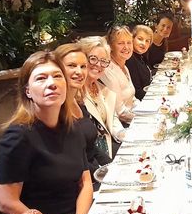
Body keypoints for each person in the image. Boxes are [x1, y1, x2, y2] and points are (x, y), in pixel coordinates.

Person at [0, 51, 94, 214]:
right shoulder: (18, 136)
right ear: (28, 91)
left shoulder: (72, 128)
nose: (52, 83)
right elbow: (6, 202)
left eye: (57, 76)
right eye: (41, 78)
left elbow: (85, 181)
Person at [55, 42, 113, 170]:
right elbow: (71, 161)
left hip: (95, 169)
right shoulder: (55, 110)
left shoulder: (78, 102)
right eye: (72, 65)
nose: (79, 71)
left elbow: (91, 149)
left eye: (83, 66)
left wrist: (113, 167)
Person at [78, 36, 126, 159]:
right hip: (91, 157)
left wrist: (123, 134)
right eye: (93, 59)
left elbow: (112, 119)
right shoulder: (76, 94)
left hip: (108, 148)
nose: (99, 65)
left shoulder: (102, 89)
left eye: (104, 61)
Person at [100, 25, 136, 125]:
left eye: (129, 42)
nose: (126, 47)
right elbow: (120, 113)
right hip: (122, 125)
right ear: (111, 46)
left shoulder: (125, 67)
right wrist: (143, 118)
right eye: (120, 43)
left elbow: (132, 100)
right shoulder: (108, 70)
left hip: (132, 117)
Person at [126, 25, 154, 100]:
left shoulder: (141, 56)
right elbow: (137, 92)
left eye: (147, 41)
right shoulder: (130, 60)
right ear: (132, 39)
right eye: (140, 39)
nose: (143, 43)